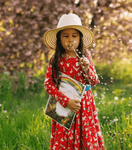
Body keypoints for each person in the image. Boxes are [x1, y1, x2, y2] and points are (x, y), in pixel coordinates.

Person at [44, 13, 105, 150]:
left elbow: (94, 81)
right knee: (64, 138)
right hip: (64, 106)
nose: (70, 40)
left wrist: (86, 69)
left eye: (74, 36)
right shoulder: (56, 59)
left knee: (85, 137)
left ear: (80, 38)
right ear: (59, 39)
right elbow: (48, 84)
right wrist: (65, 101)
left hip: (84, 105)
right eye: (65, 36)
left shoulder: (85, 56)